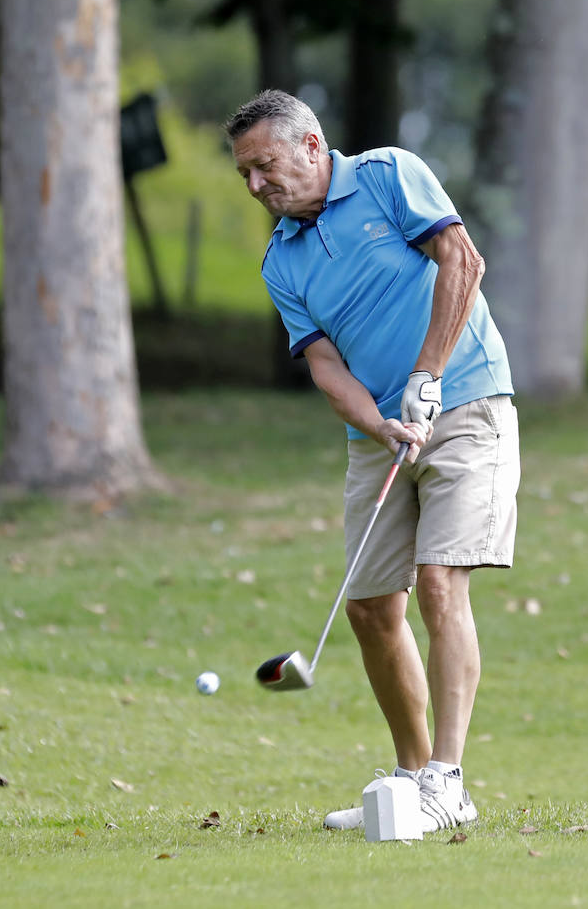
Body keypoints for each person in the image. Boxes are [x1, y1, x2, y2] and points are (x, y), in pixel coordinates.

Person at [226, 90, 519, 833]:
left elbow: (463, 259)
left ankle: (447, 782)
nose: (258, 187)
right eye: (246, 177)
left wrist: (426, 376)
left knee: (438, 582)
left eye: (266, 167)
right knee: (368, 609)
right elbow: (326, 366)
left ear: (313, 146)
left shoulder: (389, 175)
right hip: (381, 437)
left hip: (467, 404)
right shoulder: (280, 262)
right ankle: (414, 779)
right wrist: (381, 422)